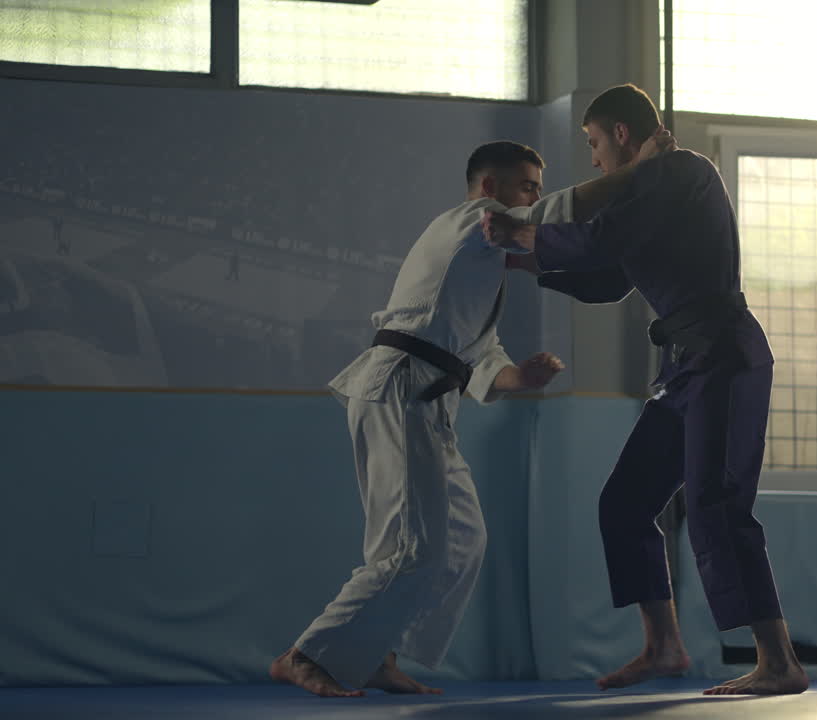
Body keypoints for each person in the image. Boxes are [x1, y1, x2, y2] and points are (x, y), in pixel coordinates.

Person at [270, 135, 673, 698]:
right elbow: (560, 213)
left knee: (462, 539)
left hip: (428, 400)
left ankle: (375, 653)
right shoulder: (471, 221)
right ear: (490, 187)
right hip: (401, 389)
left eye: (536, 188)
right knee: (413, 547)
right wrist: (637, 172)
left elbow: (482, 359)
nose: (534, 197)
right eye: (527, 187)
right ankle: (307, 654)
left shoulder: (477, 267)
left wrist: (521, 377)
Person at [486, 84, 809, 696]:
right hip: (685, 366)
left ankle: (780, 661)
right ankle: (663, 645)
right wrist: (529, 264)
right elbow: (610, 278)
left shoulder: (680, 171)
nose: (593, 158)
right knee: (625, 504)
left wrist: (524, 235)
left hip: (723, 353)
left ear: (621, 134)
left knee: (716, 504)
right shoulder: (648, 190)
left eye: (594, 143)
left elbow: (604, 238)